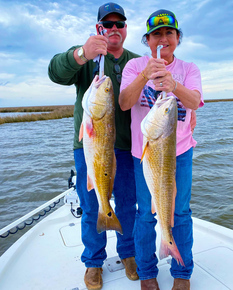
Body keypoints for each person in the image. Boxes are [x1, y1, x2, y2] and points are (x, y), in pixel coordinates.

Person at [48, 2, 140, 290]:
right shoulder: (86, 57)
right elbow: (55, 72)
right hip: (89, 147)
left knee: (127, 205)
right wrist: (81, 54)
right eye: (108, 24)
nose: (114, 29)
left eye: (119, 24)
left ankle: (128, 254)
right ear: (99, 27)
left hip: (126, 148)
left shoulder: (135, 62)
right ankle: (93, 262)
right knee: (91, 207)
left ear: (125, 29)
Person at [119, 9, 204, 290]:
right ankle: (146, 272)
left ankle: (182, 272)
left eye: (169, 33)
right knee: (145, 213)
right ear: (147, 40)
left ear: (178, 38)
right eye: (157, 33)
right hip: (145, 154)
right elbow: (123, 103)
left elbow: (193, 101)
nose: (163, 38)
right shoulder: (134, 67)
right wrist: (145, 75)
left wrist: (174, 85)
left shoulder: (189, 69)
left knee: (180, 212)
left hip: (179, 154)